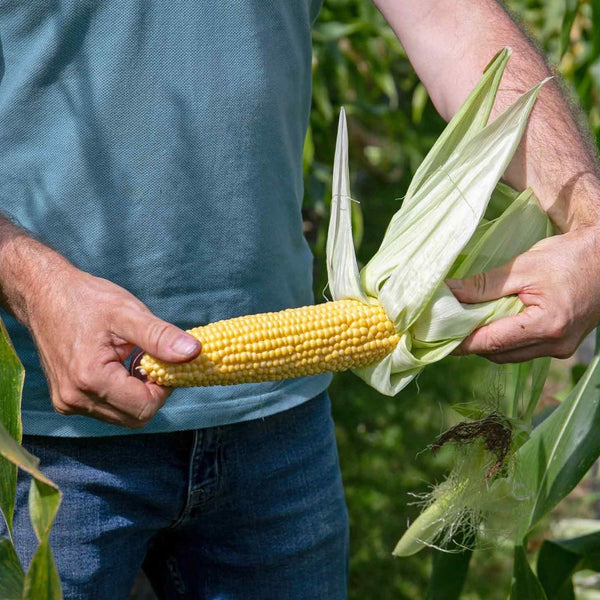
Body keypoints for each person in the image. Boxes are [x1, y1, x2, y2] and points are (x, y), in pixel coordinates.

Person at [0, 1, 598, 598]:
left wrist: (591, 225)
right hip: (43, 439)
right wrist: (34, 285)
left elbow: (452, 20)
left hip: (280, 428)